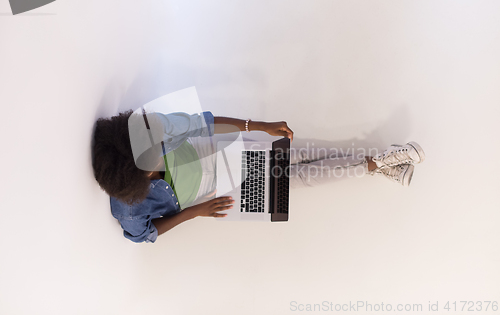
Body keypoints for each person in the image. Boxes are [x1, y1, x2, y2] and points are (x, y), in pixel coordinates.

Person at [92, 110, 425, 243]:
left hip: (218, 154)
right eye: (157, 156)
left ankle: (384, 163)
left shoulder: (148, 130)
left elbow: (202, 123)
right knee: (300, 179)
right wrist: (196, 212)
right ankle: (384, 163)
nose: (164, 149)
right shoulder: (128, 209)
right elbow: (143, 234)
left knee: (302, 153)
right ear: (137, 179)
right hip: (218, 190)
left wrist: (258, 126)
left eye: (160, 145)